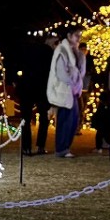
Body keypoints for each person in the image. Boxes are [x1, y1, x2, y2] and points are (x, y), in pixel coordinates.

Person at [19, 31, 59, 155]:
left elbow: (18, 66)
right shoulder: (48, 51)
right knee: (43, 118)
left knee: (25, 118)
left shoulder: (25, 49)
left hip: (27, 86)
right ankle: (40, 145)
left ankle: (26, 147)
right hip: (42, 87)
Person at [46, 25, 83, 158]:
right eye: (76, 35)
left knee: (72, 120)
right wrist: (72, 83)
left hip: (71, 90)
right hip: (65, 90)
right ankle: (62, 148)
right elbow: (61, 72)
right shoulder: (62, 50)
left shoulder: (73, 51)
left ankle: (64, 147)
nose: (79, 38)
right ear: (69, 36)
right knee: (66, 120)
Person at [77, 41, 93, 132]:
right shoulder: (76, 60)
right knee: (79, 107)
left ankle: (78, 126)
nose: (83, 51)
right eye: (81, 49)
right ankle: (76, 126)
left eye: (85, 49)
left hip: (86, 87)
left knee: (82, 108)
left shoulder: (89, 60)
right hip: (78, 87)